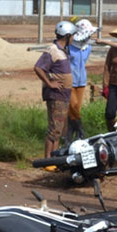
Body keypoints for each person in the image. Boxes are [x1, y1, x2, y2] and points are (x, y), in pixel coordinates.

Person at [34, 21, 76, 160]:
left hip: (64, 95)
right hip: (56, 95)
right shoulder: (52, 49)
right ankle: (47, 160)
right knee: (54, 128)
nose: (74, 38)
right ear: (68, 36)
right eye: (73, 36)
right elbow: (39, 68)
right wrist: (50, 83)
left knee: (59, 128)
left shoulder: (63, 50)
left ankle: (54, 158)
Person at [66, 19, 96, 142]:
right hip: (69, 81)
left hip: (81, 81)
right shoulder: (69, 47)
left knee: (75, 109)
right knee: (72, 106)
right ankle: (81, 131)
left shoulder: (87, 48)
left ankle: (69, 138)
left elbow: (83, 63)